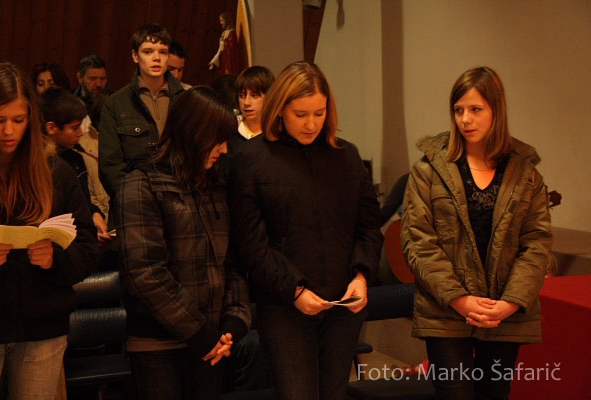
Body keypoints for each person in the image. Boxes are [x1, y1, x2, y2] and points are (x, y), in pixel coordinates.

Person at [227, 61, 383, 400]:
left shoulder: (346, 156)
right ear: (280, 109)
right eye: (301, 114)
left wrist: (361, 276)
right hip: (284, 307)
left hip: (342, 304)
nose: (311, 124)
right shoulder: (252, 159)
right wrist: (294, 290)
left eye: (319, 113)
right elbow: (250, 244)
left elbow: (369, 226)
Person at [400, 66, 553, 400]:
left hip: (502, 310)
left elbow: (536, 244)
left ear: (496, 111)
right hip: (445, 310)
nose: (465, 119)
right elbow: (418, 241)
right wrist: (460, 299)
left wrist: (510, 303)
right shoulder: (429, 170)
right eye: (459, 110)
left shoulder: (525, 173)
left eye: (475, 109)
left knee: (494, 393)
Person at [115, 86, 251, 400]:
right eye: (218, 141)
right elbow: (145, 273)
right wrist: (199, 332)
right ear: (195, 134)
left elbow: (231, 262)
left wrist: (233, 323)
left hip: (212, 339)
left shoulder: (216, 184)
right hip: (158, 344)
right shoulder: (141, 183)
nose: (224, 150)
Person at [0, 62, 97, 399]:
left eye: (18, 120)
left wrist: (55, 259)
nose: (9, 130)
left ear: (31, 119)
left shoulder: (55, 172)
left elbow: (87, 248)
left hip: (41, 325)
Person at [99, 23, 184, 200]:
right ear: (135, 56)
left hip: (179, 198)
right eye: (148, 51)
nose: (156, 58)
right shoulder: (116, 103)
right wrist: (134, 198)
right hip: (134, 199)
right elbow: (110, 166)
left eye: (163, 52)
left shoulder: (185, 100)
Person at [39, 87, 114, 248]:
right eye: (74, 128)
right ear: (51, 128)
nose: (80, 133)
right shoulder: (42, 165)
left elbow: (82, 201)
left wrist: (94, 213)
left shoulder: (75, 157)